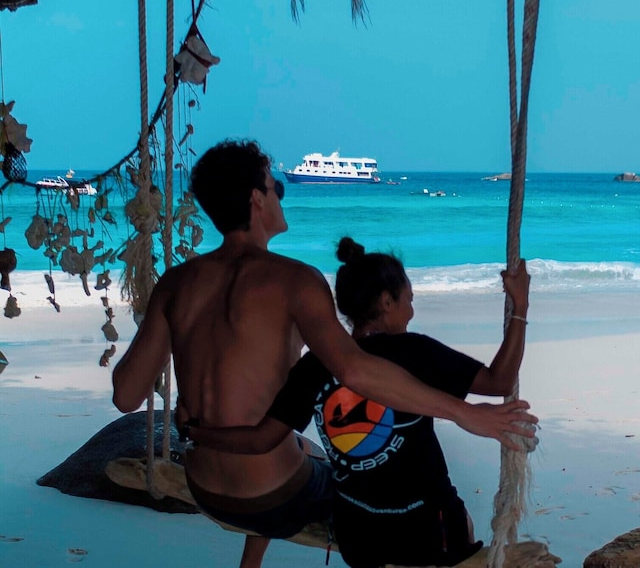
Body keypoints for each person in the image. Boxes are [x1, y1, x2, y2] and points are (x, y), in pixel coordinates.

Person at [110, 140, 536, 568]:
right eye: (276, 185)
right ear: (257, 200)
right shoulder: (295, 281)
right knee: (337, 473)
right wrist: (464, 413)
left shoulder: (176, 283)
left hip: (204, 487)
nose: (281, 192)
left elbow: (127, 396)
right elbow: (354, 367)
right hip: (273, 498)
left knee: (300, 443)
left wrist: (194, 419)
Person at [190, 237, 531, 567]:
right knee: (460, 520)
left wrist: (198, 434)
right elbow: (499, 381)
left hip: (358, 534)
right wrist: (520, 307)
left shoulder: (314, 364)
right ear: (386, 302)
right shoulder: (414, 351)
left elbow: (260, 440)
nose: (411, 311)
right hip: (426, 531)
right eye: (408, 300)